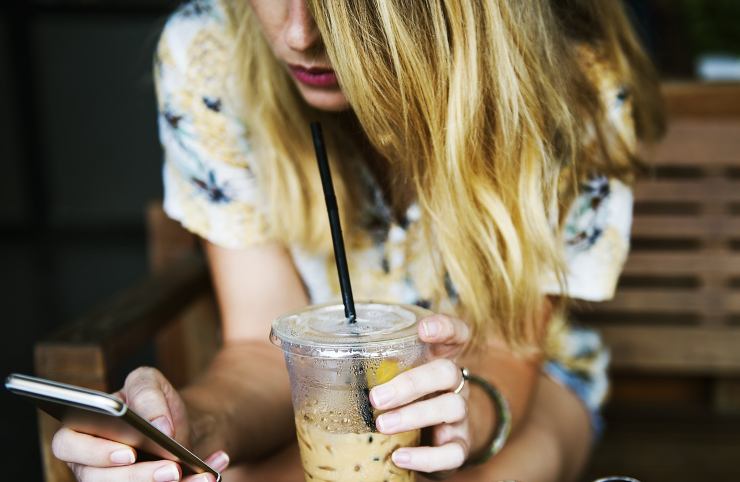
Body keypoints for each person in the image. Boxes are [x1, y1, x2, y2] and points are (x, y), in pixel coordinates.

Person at [51, 0, 664, 481]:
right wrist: (192, 425)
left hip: (514, 383)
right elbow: (261, 347)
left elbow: (510, 350)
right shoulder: (210, 53)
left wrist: (460, 418)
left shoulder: (569, 82)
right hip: (319, 399)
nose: (297, 33)